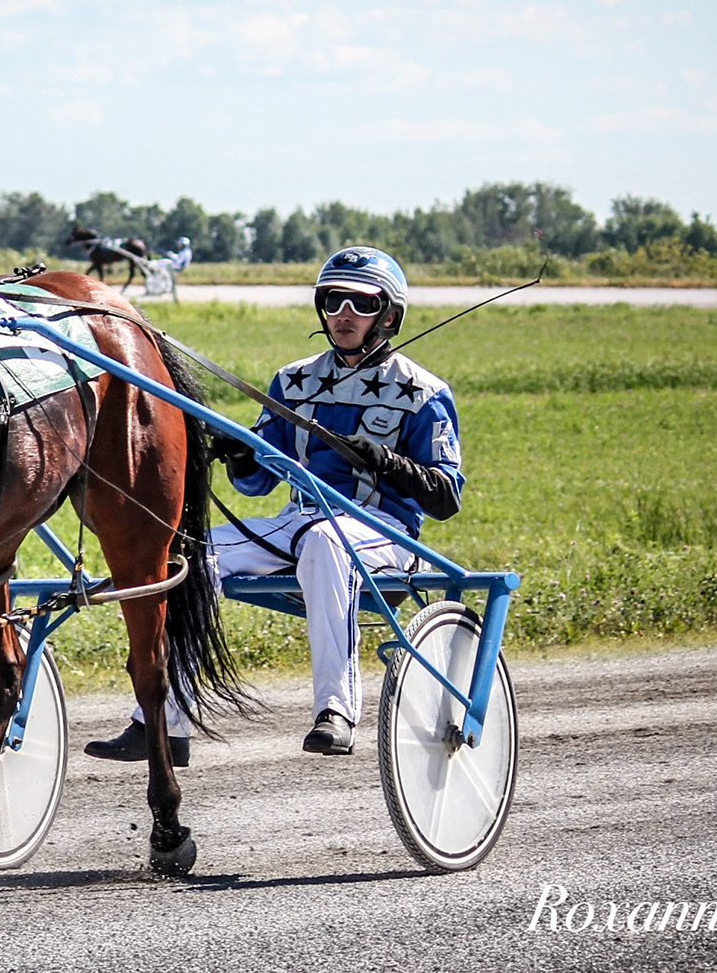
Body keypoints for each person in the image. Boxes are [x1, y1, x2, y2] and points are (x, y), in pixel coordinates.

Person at [84, 246, 464, 762]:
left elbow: (446, 498)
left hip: (383, 532)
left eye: (361, 303)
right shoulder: (294, 380)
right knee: (184, 557)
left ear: (390, 315)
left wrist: (383, 461)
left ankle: (337, 712)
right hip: (297, 524)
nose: (344, 314)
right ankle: (164, 724)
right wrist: (241, 456)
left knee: (326, 543)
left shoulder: (424, 393)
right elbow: (257, 483)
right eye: (332, 301)